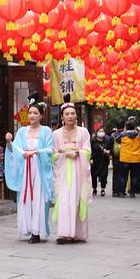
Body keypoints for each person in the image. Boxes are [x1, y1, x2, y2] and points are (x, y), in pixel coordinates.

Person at [4, 94, 54, 244]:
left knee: (38, 198)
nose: (31, 116)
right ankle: (27, 228)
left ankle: (36, 232)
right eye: (30, 113)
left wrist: (37, 152)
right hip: (26, 168)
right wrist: (8, 142)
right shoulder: (21, 132)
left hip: (38, 168)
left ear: (41, 116)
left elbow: (51, 149)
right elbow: (15, 150)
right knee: (26, 198)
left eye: (35, 113)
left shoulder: (46, 131)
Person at [51, 100, 92, 244]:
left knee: (77, 199)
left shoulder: (83, 132)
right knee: (63, 200)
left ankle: (77, 233)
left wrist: (77, 153)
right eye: (67, 114)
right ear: (62, 117)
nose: (70, 116)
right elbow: (53, 154)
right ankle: (64, 233)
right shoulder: (56, 134)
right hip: (62, 171)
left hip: (78, 171)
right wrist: (63, 154)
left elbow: (87, 152)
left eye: (72, 113)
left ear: (76, 115)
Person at [116, 120, 140, 198]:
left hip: (125, 158)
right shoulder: (139, 135)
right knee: (134, 176)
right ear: (134, 127)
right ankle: (132, 193)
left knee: (122, 176)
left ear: (126, 127)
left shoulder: (122, 135)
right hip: (136, 158)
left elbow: (117, 140)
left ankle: (122, 193)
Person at [90, 126, 111, 197]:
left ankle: (103, 189)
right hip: (95, 160)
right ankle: (94, 188)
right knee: (94, 175)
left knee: (104, 175)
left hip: (104, 160)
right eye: (100, 131)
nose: (101, 133)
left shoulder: (107, 140)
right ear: (97, 132)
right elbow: (90, 150)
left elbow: (110, 149)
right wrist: (90, 158)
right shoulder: (93, 140)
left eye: (102, 131)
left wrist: (108, 152)